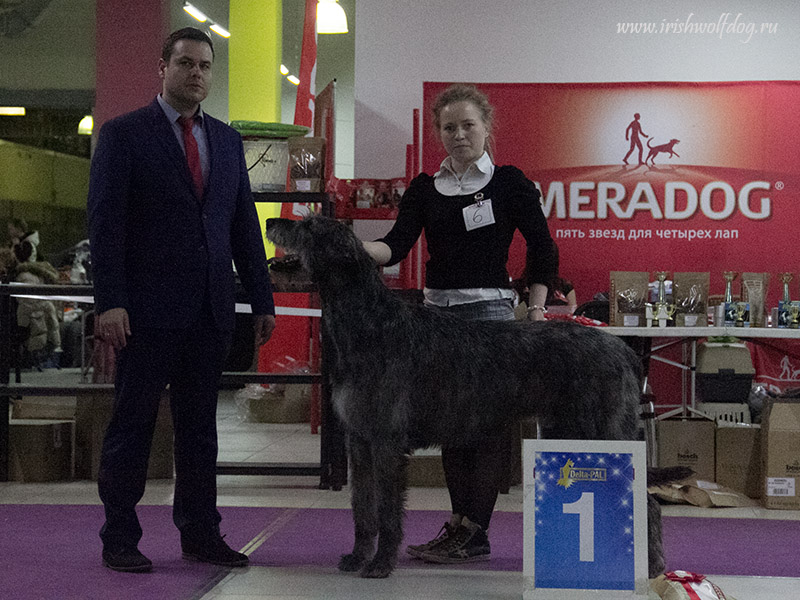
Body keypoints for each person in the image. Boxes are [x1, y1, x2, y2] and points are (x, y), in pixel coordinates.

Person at [87, 27, 276, 573]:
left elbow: (243, 225)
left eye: (205, 66)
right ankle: (119, 536)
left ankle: (201, 534)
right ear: (162, 68)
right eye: (186, 63)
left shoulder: (226, 138)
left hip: (210, 311)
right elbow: (106, 226)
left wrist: (261, 298)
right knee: (133, 426)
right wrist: (110, 302)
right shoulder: (124, 135)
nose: (197, 73)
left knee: (201, 432)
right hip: (143, 313)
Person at [363, 83, 557, 564]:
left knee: (488, 428)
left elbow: (543, 247)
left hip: (491, 320)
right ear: (439, 134)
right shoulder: (425, 188)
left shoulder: (511, 181)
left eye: (468, 124)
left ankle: (477, 530)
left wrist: (535, 310)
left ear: (487, 128)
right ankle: (457, 523)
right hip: (437, 322)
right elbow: (395, 246)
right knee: (451, 427)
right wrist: (348, 249)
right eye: (449, 127)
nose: (458, 134)